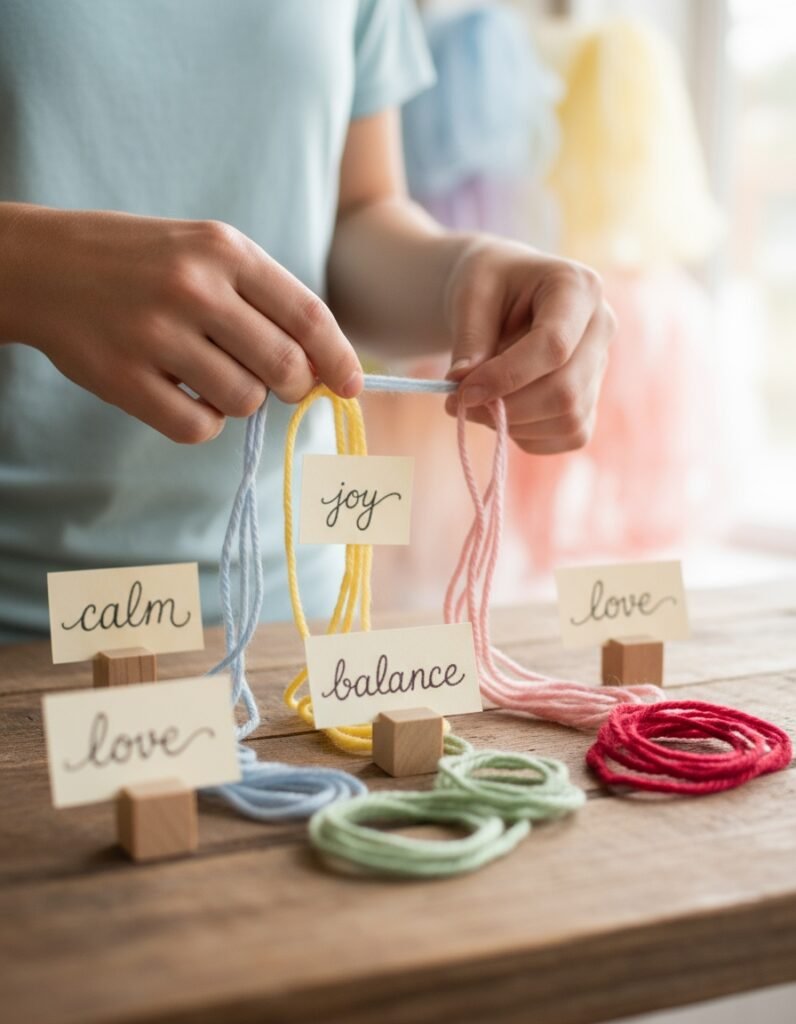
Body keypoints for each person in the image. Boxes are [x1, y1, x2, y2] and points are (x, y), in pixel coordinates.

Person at [0, 0, 614, 643]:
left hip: (286, 609)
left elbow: (356, 214)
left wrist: (472, 272)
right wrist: (29, 266)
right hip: (16, 615)